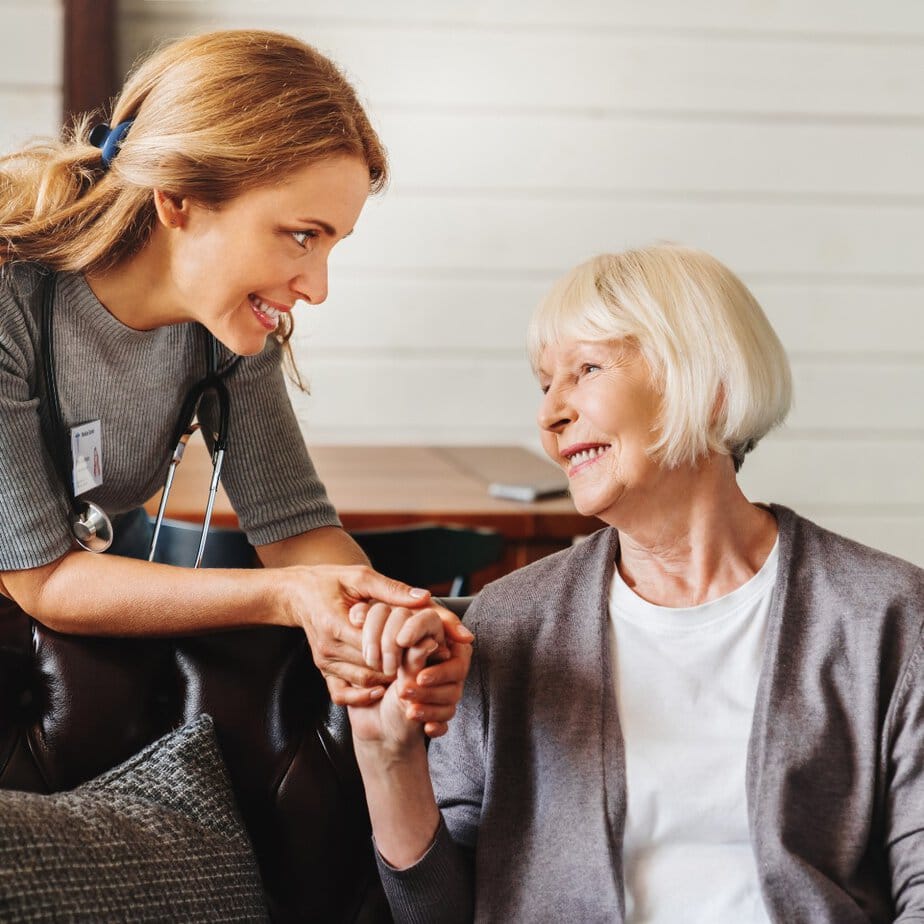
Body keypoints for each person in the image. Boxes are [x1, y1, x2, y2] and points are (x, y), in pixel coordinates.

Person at [348, 243, 924, 922]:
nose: (550, 414)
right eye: (544, 384)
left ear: (708, 388)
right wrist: (388, 758)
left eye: (585, 370)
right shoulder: (509, 623)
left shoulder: (886, 615)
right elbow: (440, 914)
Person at [0, 29, 472, 725]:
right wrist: (286, 598)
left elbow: (297, 531)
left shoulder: (226, 332)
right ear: (179, 199)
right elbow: (43, 580)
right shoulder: (12, 298)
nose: (317, 287)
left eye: (332, 245)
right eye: (301, 236)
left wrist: (390, 627)